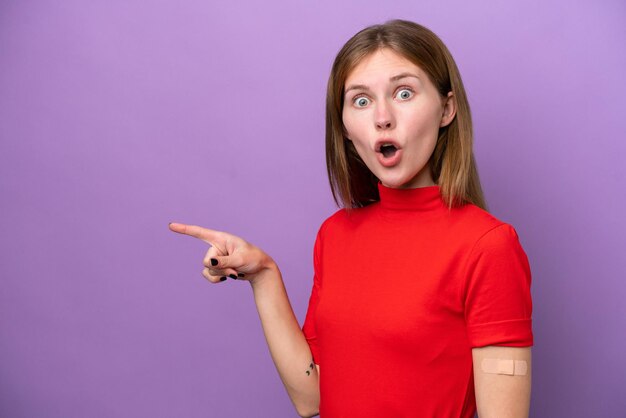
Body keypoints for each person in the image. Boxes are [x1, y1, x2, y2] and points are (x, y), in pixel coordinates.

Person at [169, 19, 533, 418]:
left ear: (446, 109)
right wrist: (263, 275)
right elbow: (312, 399)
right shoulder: (335, 235)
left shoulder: (488, 245)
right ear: (343, 126)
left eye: (404, 92)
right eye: (360, 100)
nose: (382, 117)